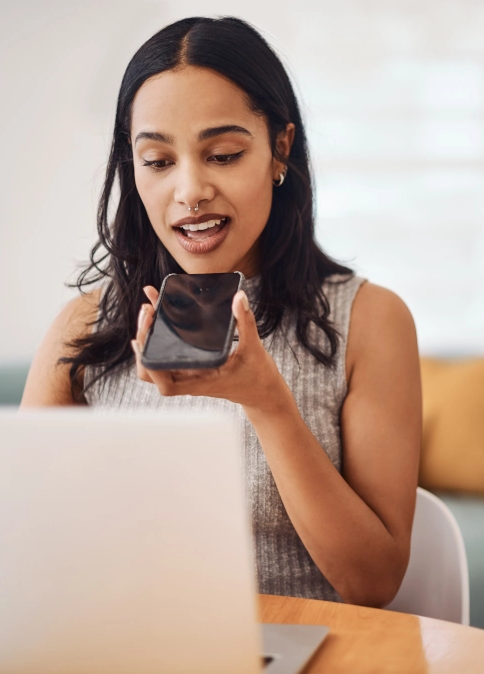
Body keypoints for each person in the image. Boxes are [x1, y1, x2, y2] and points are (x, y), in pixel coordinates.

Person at [21, 16, 422, 608]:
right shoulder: (85, 326)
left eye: (224, 154)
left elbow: (373, 582)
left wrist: (268, 404)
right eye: (157, 161)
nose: (189, 190)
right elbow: (19, 537)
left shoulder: (368, 320)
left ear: (279, 148)